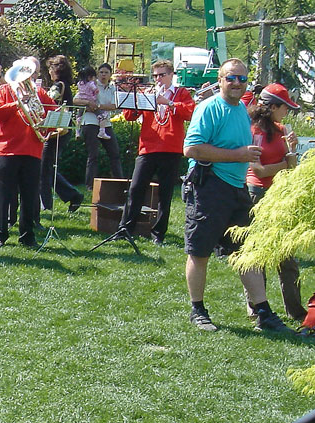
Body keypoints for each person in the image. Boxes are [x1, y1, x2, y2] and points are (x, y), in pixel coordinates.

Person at [182, 58, 293, 333]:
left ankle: (263, 312)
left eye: (242, 79)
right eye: (230, 78)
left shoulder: (241, 109)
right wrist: (238, 155)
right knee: (200, 252)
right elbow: (191, 149)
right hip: (208, 187)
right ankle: (198, 310)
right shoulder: (209, 108)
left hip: (236, 189)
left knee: (247, 252)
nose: (236, 83)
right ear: (220, 80)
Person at [245, 83, 307, 323]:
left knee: (287, 255)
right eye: (285, 107)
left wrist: (292, 149)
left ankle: (296, 310)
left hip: (279, 193)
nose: (287, 112)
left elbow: (290, 165)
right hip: (257, 194)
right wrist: (286, 163)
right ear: (272, 107)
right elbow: (259, 170)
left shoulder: (281, 129)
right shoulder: (254, 131)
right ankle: (257, 308)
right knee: (258, 254)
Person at [0, 59, 56, 249]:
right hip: (7, 149)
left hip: (32, 150)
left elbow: (53, 112)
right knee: (3, 195)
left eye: (33, 73)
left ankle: (27, 236)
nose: (30, 77)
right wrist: (17, 104)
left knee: (30, 196)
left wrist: (50, 123)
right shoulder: (3, 91)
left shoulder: (39, 93)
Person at [118, 58, 195, 245]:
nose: (158, 79)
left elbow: (189, 112)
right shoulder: (147, 92)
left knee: (165, 193)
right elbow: (129, 116)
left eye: (162, 75)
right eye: (155, 76)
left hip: (171, 148)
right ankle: (125, 229)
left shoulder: (181, 93)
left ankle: (158, 234)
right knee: (136, 188)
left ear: (171, 75)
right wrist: (133, 97)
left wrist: (168, 102)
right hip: (148, 147)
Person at [39, 55, 84, 213]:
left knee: (44, 168)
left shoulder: (58, 86)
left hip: (57, 130)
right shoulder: (66, 85)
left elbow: (45, 101)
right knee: (48, 167)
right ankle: (73, 195)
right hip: (63, 130)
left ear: (56, 70)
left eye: (50, 69)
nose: (49, 72)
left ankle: (46, 205)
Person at [74, 62, 122, 190]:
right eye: (101, 72)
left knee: (114, 152)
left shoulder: (113, 88)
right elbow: (76, 100)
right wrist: (88, 103)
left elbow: (114, 106)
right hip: (90, 122)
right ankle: (90, 186)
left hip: (105, 123)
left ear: (110, 74)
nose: (103, 75)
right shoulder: (92, 85)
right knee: (93, 155)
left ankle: (119, 183)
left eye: (106, 72)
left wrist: (98, 106)